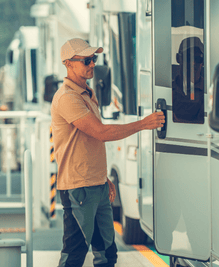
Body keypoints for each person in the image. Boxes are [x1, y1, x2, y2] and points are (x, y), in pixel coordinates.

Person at [51, 38, 165, 267]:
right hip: (78, 188)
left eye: (93, 59)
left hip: (97, 186)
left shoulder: (86, 93)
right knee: (74, 254)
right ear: (68, 64)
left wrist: (103, 178)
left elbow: (87, 144)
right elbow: (101, 133)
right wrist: (144, 123)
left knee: (107, 254)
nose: (92, 64)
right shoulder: (67, 97)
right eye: (85, 60)